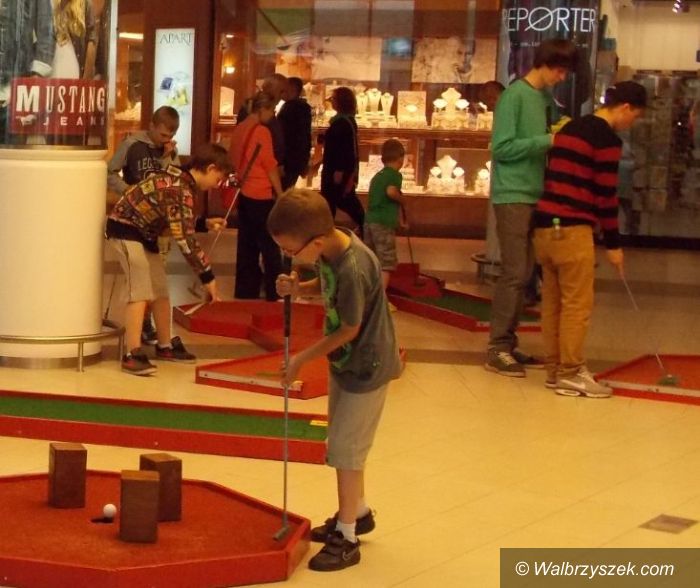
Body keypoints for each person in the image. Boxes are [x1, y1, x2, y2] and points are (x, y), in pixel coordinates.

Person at [268, 188, 401, 572]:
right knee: (343, 443)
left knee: (346, 450)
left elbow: (349, 327)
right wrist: (300, 287)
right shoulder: (331, 247)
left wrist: (302, 359)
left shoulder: (354, 266)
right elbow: (329, 285)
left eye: (291, 250)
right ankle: (357, 512)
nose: (290, 257)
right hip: (347, 364)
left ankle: (347, 536)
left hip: (367, 367)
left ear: (316, 241)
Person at [533, 81, 647, 398]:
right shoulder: (606, 139)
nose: (632, 123)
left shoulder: (571, 128)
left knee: (552, 303)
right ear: (625, 107)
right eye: (635, 116)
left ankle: (555, 370)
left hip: (545, 225)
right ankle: (571, 373)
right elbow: (605, 195)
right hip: (573, 227)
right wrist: (614, 244)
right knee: (576, 305)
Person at [485, 38, 577, 378]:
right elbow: (501, 148)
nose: (561, 78)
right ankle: (497, 347)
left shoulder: (541, 98)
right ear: (546, 64)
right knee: (514, 272)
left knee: (525, 273)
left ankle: (508, 343)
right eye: (560, 71)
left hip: (534, 192)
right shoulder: (515, 96)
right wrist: (548, 140)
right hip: (512, 193)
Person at [105, 143, 230, 376]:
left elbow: (176, 218)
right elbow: (185, 239)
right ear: (211, 168)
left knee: (160, 288)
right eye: (218, 178)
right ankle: (132, 353)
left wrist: (203, 223)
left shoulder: (180, 180)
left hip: (144, 233)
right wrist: (207, 277)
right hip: (125, 229)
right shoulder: (181, 188)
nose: (217, 184)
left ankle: (165, 346)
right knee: (140, 289)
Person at [107, 105, 181, 346]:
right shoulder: (132, 145)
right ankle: (140, 329)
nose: (165, 140)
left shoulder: (169, 151)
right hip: (133, 217)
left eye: (170, 136)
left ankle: (149, 323)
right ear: (152, 126)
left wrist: (168, 155)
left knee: (158, 277)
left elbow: (174, 180)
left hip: (157, 222)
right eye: (162, 134)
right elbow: (110, 171)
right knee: (140, 279)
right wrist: (127, 190)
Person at [229, 91, 284, 301]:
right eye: (272, 110)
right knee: (270, 246)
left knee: (246, 245)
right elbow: (270, 165)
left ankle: (245, 290)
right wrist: (280, 193)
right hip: (260, 194)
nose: (273, 115)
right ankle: (274, 291)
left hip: (243, 192)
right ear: (262, 109)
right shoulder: (262, 131)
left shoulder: (240, 128)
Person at [0, 0, 55, 141]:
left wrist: (35, 77)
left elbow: (46, 30)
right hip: (15, 87)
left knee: (12, 149)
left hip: (14, 90)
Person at [364, 138, 407, 296]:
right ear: (401, 159)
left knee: (371, 259)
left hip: (370, 221)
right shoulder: (394, 175)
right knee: (386, 262)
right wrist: (402, 199)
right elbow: (391, 192)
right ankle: (380, 298)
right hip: (383, 222)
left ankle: (367, 292)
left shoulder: (377, 176)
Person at [321, 86, 365, 238]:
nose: (331, 102)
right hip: (334, 168)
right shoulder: (342, 121)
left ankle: (364, 225)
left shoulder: (343, 123)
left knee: (342, 199)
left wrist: (340, 170)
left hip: (337, 170)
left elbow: (345, 149)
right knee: (335, 200)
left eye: (333, 99)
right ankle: (328, 231)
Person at [278, 76, 312, 190]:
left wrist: (281, 161)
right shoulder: (302, 108)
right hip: (295, 160)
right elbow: (306, 137)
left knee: (282, 190)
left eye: (284, 89)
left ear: (291, 89)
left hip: (288, 160)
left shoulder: (290, 109)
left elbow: (286, 137)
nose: (281, 92)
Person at [51, 0, 98, 80]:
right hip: (54, 68)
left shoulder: (84, 3)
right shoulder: (50, 4)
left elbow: (91, 40)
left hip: (74, 69)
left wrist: (86, 78)